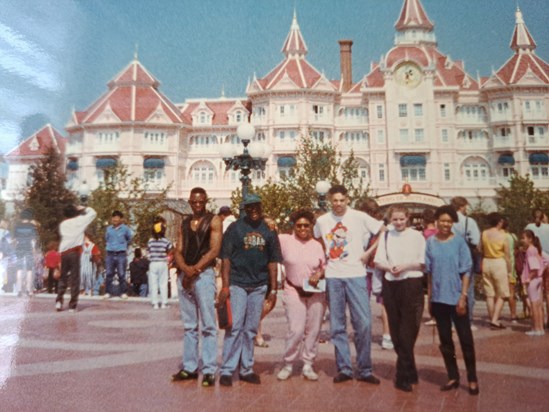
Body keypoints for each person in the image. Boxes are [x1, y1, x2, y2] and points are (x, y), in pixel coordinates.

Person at [313, 185, 383, 385]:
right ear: (329, 200)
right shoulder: (322, 220)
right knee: (337, 325)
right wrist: (322, 264)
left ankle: (365, 368)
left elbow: (383, 231)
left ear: (347, 199)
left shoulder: (359, 217)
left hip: (356, 274)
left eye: (341, 200)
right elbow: (317, 239)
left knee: (363, 323)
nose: (338, 204)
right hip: (334, 276)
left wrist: (368, 253)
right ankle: (344, 368)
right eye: (334, 200)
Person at [217, 194, 281, 387]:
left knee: (251, 328)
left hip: (259, 285)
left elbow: (273, 261)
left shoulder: (269, 230)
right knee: (235, 327)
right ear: (244, 209)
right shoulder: (235, 228)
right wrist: (226, 286)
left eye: (256, 207)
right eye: (249, 207)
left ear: (261, 207)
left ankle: (246, 368)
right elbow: (226, 259)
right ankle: (228, 369)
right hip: (238, 283)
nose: (253, 210)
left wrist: (274, 288)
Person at [426, 205, 478, 396]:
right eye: (442, 220)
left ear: (453, 222)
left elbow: (466, 271)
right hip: (439, 300)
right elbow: (430, 273)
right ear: (437, 221)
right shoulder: (430, 242)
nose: (445, 224)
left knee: (466, 340)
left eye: (449, 221)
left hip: (457, 298)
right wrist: (429, 298)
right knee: (445, 341)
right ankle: (453, 375)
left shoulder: (460, 243)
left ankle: (472, 378)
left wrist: (463, 297)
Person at [172, 187, 222, 387]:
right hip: (186, 274)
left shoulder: (214, 220)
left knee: (209, 324)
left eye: (201, 201)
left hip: (203, 275)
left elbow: (214, 250)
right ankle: (190, 367)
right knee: (189, 325)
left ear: (206, 201)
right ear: (190, 202)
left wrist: (194, 270)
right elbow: (179, 249)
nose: (198, 205)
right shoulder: (184, 222)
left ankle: (209, 368)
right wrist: (184, 269)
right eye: (194, 202)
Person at [374, 206, 426, 392]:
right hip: (391, 284)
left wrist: (405, 266)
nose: (398, 223)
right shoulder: (386, 236)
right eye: (395, 219)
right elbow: (378, 260)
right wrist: (389, 268)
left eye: (401, 219)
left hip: (411, 283)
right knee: (395, 330)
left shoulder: (416, 236)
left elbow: (422, 262)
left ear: (407, 218)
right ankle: (410, 370)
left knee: (408, 330)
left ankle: (401, 374)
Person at [277, 209, 326, 381]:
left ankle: (308, 363)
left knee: (313, 329)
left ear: (311, 226)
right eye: (299, 225)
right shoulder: (285, 240)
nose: (303, 228)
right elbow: (269, 238)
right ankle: (288, 363)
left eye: (306, 225)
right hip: (293, 288)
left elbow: (326, 265)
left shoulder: (318, 244)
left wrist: (320, 273)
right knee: (296, 329)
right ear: (294, 226)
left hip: (316, 291)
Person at [358, 198, 393, 350]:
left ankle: (386, 334)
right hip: (365, 268)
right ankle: (369, 334)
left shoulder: (379, 226)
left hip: (378, 266)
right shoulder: (363, 225)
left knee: (383, 301)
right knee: (363, 301)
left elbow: (384, 234)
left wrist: (368, 252)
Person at [56, 204, 97, 312]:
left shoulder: (63, 224)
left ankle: (59, 301)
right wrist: (83, 208)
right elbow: (93, 213)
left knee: (63, 278)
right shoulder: (80, 221)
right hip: (74, 252)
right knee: (75, 279)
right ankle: (72, 305)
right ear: (76, 212)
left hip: (63, 252)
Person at [450, 197, 480, 328]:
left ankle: (452, 320)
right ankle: (468, 320)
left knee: (452, 287)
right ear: (462, 207)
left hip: (450, 256)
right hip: (465, 256)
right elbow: (475, 240)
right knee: (468, 288)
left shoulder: (448, 221)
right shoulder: (469, 221)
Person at [479, 212, 511, 329]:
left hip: (487, 261)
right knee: (502, 294)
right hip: (499, 262)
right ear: (499, 222)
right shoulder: (504, 235)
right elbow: (507, 254)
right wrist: (509, 269)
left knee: (489, 294)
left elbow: (479, 248)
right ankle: (495, 319)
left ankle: (493, 318)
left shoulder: (484, 233)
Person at [520, 230, 545, 336]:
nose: (522, 240)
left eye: (524, 238)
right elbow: (542, 263)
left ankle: (535, 328)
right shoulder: (535, 249)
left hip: (533, 280)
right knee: (538, 305)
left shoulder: (530, 250)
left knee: (534, 305)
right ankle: (540, 328)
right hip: (539, 278)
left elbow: (534, 268)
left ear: (530, 239)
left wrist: (528, 278)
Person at [104, 210, 132, 299]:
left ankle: (123, 292)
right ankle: (108, 292)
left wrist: (123, 246)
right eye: (113, 217)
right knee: (109, 273)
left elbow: (129, 239)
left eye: (117, 217)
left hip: (121, 254)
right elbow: (106, 238)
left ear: (121, 219)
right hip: (110, 254)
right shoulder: (109, 229)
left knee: (121, 273)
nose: (115, 219)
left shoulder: (125, 229)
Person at [147, 216, 173, 309]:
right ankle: (164, 303)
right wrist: (168, 258)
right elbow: (170, 250)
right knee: (163, 283)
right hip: (162, 263)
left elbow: (148, 251)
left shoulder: (150, 241)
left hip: (153, 263)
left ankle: (154, 303)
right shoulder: (166, 241)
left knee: (153, 284)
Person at [13, 209, 38, 296]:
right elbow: (33, 240)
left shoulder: (17, 226)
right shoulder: (32, 226)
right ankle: (28, 290)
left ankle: (19, 290)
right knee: (29, 269)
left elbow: (15, 240)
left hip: (19, 248)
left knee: (19, 269)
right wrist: (34, 249)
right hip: (28, 248)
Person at [502, 218, 519, 322]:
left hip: (499, 266)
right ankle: (513, 315)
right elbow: (516, 251)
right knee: (511, 292)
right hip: (511, 267)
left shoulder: (499, 236)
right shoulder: (513, 236)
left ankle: (495, 316)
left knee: (497, 293)